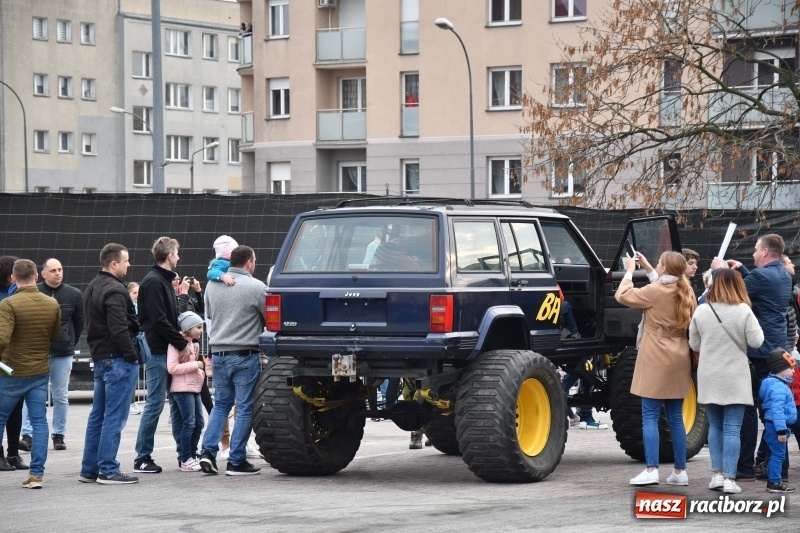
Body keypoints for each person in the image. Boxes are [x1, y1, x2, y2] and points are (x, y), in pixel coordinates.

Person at [710, 233, 792, 481]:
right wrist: (743, 269)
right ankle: (778, 467)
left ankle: (744, 467)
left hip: (759, 352)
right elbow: (759, 288)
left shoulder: (759, 277)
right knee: (772, 409)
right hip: (777, 348)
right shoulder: (784, 275)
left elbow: (730, 294)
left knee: (747, 409)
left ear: (766, 252)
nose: (753, 254)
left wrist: (718, 272)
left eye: (756, 250)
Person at [616, 251, 696, 486]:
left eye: (659, 263)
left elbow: (623, 296)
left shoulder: (655, 292)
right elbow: (660, 284)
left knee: (649, 415)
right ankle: (680, 472)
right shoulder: (686, 289)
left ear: (665, 269)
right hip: (680, 354)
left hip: (655, 354)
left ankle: (652, 469)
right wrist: (650, 266)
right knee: (675, 417)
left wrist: (630, 270)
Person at [689, 268, 764, 495]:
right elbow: (757, 341)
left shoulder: (702, 310)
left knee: (716, 427)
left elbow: (693, 344)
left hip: (709, 374)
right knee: (733, 429)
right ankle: (731, 478)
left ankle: (716, 475)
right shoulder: (743, 310)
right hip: (735, 376)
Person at [198, 245, 267, 476]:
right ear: (249, 262)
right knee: (245, 407)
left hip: (218, 354)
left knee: (220, 405)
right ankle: (236, 461)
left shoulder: (212, 286)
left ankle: (207, 452)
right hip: (245, 354)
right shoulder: (257, 288)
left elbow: (208, 314)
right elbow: (270, 319)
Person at [80, 243, 140, 485]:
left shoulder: (92, 286)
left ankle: (89, 469)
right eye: (126, 261)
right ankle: (108, 469)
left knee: (98, 416)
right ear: (113, 263)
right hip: (118, 360)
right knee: (114, 417)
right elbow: (118, 328)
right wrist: (132, 356)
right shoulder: (115, 290)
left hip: (101, 358)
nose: (129, 265)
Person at [0, 259, 61, 489]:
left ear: (14, 278)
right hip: (39, 371)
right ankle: (36, 475)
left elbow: (2, 338)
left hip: (12, 372)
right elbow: (54, 336)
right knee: (39, 422)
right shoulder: (51, 304)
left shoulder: (8, 304)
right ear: (36, 277)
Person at [133, 236, 191, 474]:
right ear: (169, 256)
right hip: (159, 351)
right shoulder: (154, 281)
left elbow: (171, 315)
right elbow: (159, 320)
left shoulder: (163, 281)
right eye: (176, 254)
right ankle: (142, 457)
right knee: (155, 404)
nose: (178, 257)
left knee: (176, 403)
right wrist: (182, 344)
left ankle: (185, 455)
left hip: (167, 350)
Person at [19, 259, 84, 453]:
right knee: (31, 394)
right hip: (36, 352)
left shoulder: (74, 294)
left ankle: (59, 435)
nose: (58, 273)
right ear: (43, 273)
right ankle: (27, 435)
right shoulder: (34, 292)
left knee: (60, 395)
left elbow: (79, 324)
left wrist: (68, 342)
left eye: (60, 270)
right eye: (53, 270)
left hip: (62, 354)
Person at [167, 311, 206, 472]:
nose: (201, 330)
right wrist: (196, 366)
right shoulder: (176, 344)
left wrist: (200, 373)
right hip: (182, 389)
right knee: (189, 423)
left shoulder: (193, 344)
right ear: (188, 328)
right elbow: (172, 367)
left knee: (199, 423)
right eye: (198, 327)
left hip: (193, 387)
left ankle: (191, 453)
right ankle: (185, 458)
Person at [0, 255, 27, 472]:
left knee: (16, 408)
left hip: (15, 360)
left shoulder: (20, 294)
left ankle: (13, 454)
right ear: (11, 275)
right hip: (2, 360)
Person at [760, 349, 798, 493]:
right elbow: (778, 411)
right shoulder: (779, 388)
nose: (793, 371)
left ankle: (773, 479)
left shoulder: (771, 383)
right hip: (777, 427)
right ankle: (775, 482)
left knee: (774, 453)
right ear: (780, 369)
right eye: (790, 368)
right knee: (778, 455)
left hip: (772, 425)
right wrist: (781, 430)